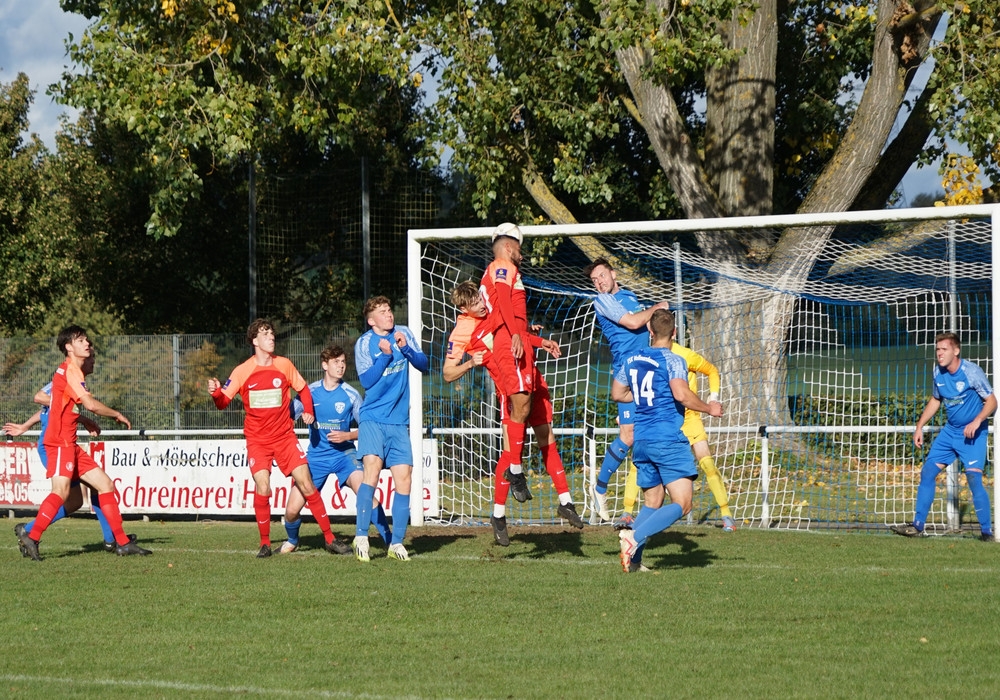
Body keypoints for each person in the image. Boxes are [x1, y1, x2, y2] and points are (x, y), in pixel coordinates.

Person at [444, 280, 584, 546]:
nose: (482, 305)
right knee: (510, 455)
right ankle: (498, 515)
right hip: (508, 390)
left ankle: (566, 501)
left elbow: (510, 331)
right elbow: (448, 372)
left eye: (482, 299)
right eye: (475, 304)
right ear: (464, 308)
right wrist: (469, 364)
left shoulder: (494, 310)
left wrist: (535, 338)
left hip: (530, 376)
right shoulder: (465, 331)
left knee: (547, 439)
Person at [208, 318, 351, 558]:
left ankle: (330, 538)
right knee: (263, 486)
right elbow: (223, 402)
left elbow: (303, 389)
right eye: (265, 334)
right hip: (258, 440)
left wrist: (308, 410)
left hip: (284, 436)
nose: (271, 337)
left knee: (307, 484)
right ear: (254, 341)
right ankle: (265, 543)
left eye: (272, 334)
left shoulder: (284, 365)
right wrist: (215, 393)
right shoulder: (242, 370)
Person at [14, 325, 149, 560]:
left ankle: (122, 542)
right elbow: (90, 404)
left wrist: (84, 421)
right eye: (80, 340)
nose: (87, 344)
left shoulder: (72, 372)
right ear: (68, 347)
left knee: (105, 485)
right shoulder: (69, 370)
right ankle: (31, 535)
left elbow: (66, 406)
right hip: (58, 443)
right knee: (62, 492)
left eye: (87, 340)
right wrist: (116, 414)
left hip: (70, 444)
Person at [612, 309, 723, 573]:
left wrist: (642, 398)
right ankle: (633, 537)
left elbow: (618, 393)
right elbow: (682, 395)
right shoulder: (673, 360)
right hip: (667, 439)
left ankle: (635, 562)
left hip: (642, 440)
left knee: (653, 501)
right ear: (674, 333)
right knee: (683, 504)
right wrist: (709, 408)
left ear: (649, 331)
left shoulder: (631, 358)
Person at [6, 351, 127, 553]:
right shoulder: (66, 375)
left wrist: (25, 426)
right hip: (55, 444)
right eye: (90, 357)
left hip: (65, 443)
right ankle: (29, 531)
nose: (93, 360)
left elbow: (58, 407)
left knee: (86, 494)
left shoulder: (75, 381)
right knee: (70, 494)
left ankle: (112, 539)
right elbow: (41, 398)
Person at [278, 344, 391, 553]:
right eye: (335, 362)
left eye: (343, 362)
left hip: (344, 456)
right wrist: (302, 415)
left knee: (365, 492)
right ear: (324, 365)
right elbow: (285, 419)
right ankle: (292, 540)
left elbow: (368, 427)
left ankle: (389, 540)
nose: (341, 367)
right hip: (315, 458)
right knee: (291, 510)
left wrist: (348, 435)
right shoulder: (308, 393)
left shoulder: (351, 394)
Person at [583, 257, 670, 524]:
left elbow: (646, 326)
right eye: (594, 280)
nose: (599, 282)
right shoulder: (602, 301)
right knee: (630, 435)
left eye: (601, 276)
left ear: (613, 273)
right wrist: (656, 308)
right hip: (627, 371)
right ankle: (599, 489)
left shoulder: (630, 296)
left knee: (649, 430)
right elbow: (633, 323)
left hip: (646, 367)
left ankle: (650, 496)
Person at [891, 332, 996, 540]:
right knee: (928, 472)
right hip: (950, 432)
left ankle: (986, 533)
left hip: (973, 433)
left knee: (974, 478)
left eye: (944, 349)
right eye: (937, 349)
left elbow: (992, 401)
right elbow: (935, 399)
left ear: (956, 351)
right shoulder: (937, 372)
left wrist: (977, 421)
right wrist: (920, 426)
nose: (939, 353)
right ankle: (917, 526)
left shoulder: (972, 372)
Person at [352, 296, 429, 562]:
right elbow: (367, 381)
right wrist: (385, 357)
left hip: (398, 422)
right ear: (371, 320)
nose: (389, 314)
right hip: (372, 418)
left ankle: (396, 543)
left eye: (389, 310)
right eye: (382, 312)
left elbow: (423, 364)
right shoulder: (364, 343)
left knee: (404, 477)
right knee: (371, 471)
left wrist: (405, 349)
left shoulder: (404, 333)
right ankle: (361, 535)